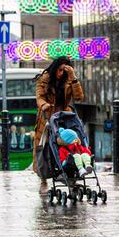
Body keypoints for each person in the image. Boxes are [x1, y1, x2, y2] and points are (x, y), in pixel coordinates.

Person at [33, 56, 84, 194]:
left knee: (70, 143)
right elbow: (39, 96)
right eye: (60, 70)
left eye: (65, 70)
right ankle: (43, 180)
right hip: (47, 116)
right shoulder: (44, 79)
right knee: (44, 148)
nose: (62, 73)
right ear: (55, 68)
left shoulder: (68, 80)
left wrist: (73, 77)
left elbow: (79, 97)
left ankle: (70, 172)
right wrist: (44, 105)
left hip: (64, 117)